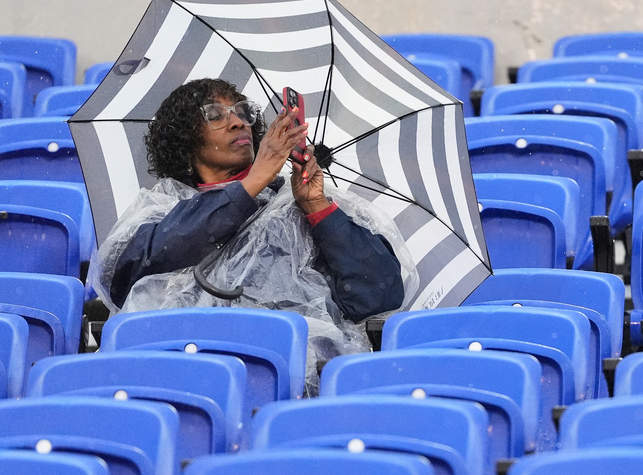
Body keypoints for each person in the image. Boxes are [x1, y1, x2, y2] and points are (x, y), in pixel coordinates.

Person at [91, 78, 418, 391]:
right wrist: (253, 182)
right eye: (216, 115)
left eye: (245, 112)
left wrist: (318, 207)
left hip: (294, 381)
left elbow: (378, 293)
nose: (238, 122)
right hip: (182, 374)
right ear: (185, 139)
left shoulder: (294, 206)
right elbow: (130, 272)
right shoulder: (164, 208)